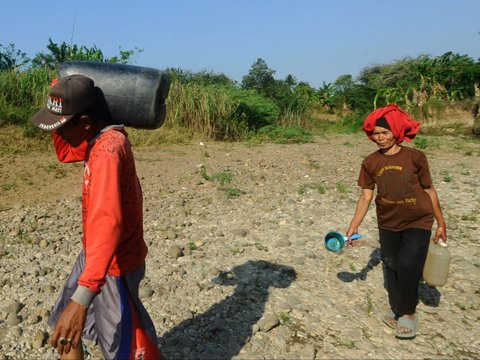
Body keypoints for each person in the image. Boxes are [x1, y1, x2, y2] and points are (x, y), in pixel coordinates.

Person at [31, 75, 161, 359]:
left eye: (63, 126)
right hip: (94, 256)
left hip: (116, 267)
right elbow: (65, 153)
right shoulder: (95, 136)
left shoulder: (108, 150)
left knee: (125, 351)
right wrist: (60, 102)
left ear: (86, 122)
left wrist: (83, 298)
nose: (60, 134)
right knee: (64, 331)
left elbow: (107, 222)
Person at [345, 104, 447, 339]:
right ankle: (398, 309)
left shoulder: (415, 157)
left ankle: (408, 313)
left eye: (385, 133)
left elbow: (429, 190)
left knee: (409, 264)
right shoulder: (370, 162)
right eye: (376, 133)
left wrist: (440, 223)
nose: (379, 138)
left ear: (397, 132)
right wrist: (354, 226)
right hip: (388, 221)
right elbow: (366, 196)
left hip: (418, 219)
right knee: (391, 264)